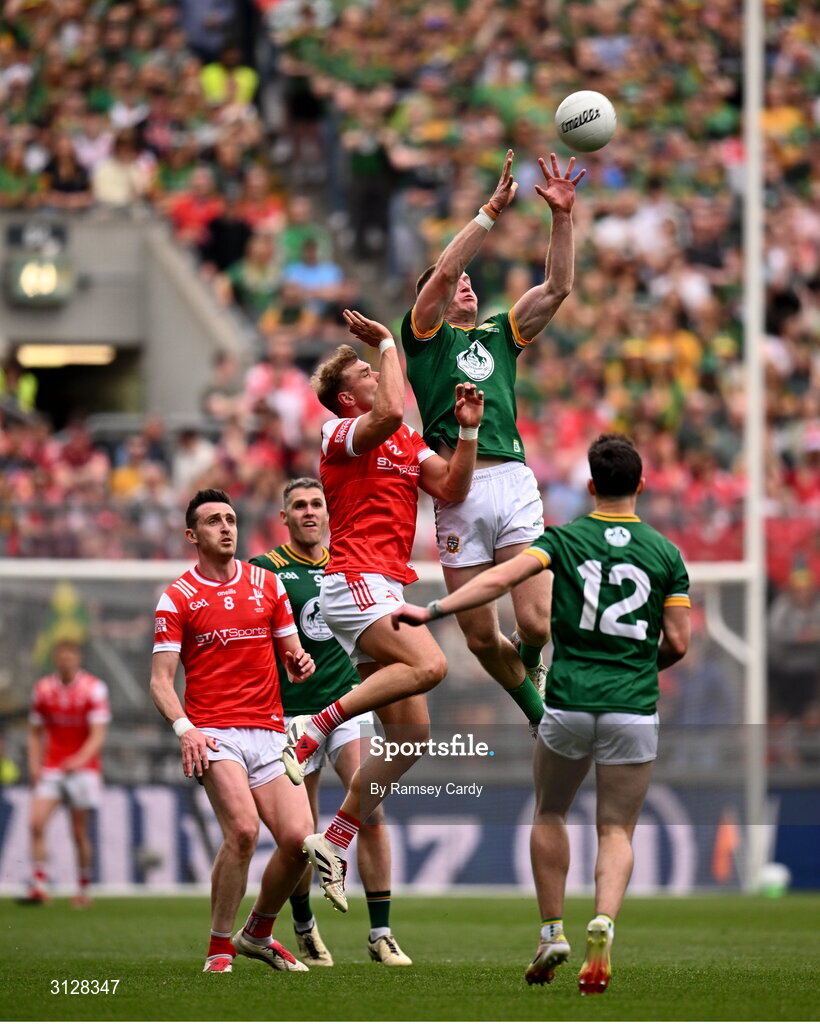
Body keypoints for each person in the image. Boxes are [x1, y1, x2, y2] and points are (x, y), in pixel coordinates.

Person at [393, 434, 691, 994]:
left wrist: (432, 609)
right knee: (616, 828)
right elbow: (677, 642)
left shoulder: (565, 539)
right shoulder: (665, 553)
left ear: (590, 487)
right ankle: (602, 920)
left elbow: (500, 579)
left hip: (569, 702)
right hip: (631, 704)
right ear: (642, 487)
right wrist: (639, 667)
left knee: (551, 811)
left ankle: (551, 930)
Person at [281, 309, 483, 914]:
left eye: (377, 367)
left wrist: (469, 433)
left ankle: (336, 838)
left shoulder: (405, 439)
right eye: (367, 372)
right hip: (354, 579)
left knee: (412, 737)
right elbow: (391, 409)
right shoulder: (337, 434)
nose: (378, 373)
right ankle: (315, 726)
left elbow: (451, 489)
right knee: (432, 665)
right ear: (348, 396)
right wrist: (392, 342)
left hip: (388, 586)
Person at [400, 150, 586, 728]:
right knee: (482, 640)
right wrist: (488, 213)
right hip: (457, 493)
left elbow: (557, 287)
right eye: (456, 284)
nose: (466, 287)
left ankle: (535, 686)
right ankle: (539, 715)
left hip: (509, 478)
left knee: (534, 625)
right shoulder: (425, 340)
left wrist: (561, 216)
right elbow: (447, 272)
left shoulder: (501, 334)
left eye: (469, 284)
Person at [149, 488, 316, 974]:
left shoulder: (267, 584)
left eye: (230, 519)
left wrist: (299, 662)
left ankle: (258, 932)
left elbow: (291, 655)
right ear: (192, 535)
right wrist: (186, 730)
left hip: (269, 730)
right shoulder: (178, 596)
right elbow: (160, 682)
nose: (225, 527)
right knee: (242, 831)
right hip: (214, 734)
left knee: (299, 841)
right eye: (213, 521)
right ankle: (219, 946)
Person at [250, 477, 411, 967]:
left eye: (317, 503)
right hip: (289, 715)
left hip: (346, 708)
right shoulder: (266, 571)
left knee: (372, 807)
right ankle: (304, 928)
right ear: (284, 517)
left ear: (329, 511)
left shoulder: (349, 568)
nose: (309, 512)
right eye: (298, 505)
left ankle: (381, 934)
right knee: (302, 833)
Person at [24, 637, 110, 907]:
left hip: (83, 769)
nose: (65, 661)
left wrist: (79, 758)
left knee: (78, 832)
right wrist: (34, 764)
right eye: (61, 656)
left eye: (70, 656)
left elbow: (98, 735)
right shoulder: (43, 690)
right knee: (36, 823)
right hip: (52, 767)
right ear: (55, 659)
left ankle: (83, 889)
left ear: (78, 658)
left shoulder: (94, 689)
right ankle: (39, 885)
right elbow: (35, 733)